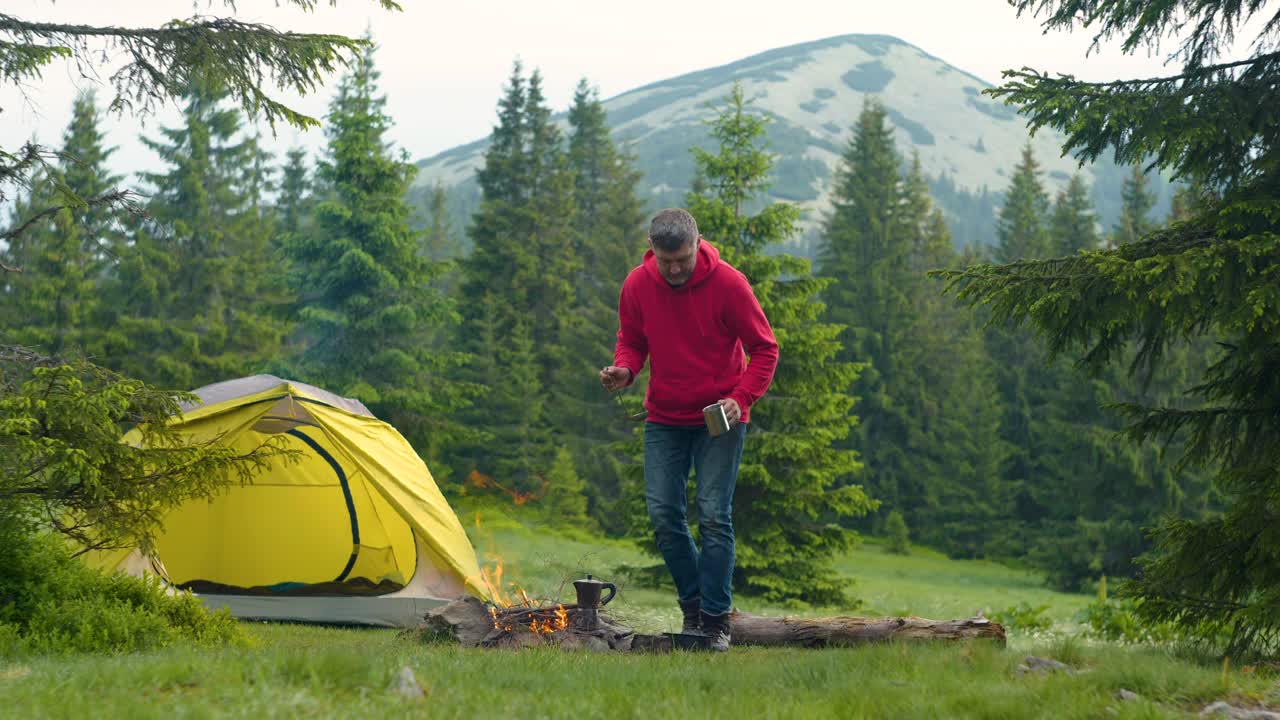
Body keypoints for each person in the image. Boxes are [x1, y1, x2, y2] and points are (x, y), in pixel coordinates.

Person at [600, 208, 778, 652]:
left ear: (698, 244)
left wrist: (740, 401)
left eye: (683, 258)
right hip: (665, 415)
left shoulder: (730, 285)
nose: (677, 268)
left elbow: (765, 350)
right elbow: (632, 339)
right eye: (668, 261)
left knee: (715, 515)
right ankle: (695, 609)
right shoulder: (637, 285)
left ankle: (715, 623)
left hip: (721, 417)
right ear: (653, 252)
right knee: (664, 516)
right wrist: (625, 369)